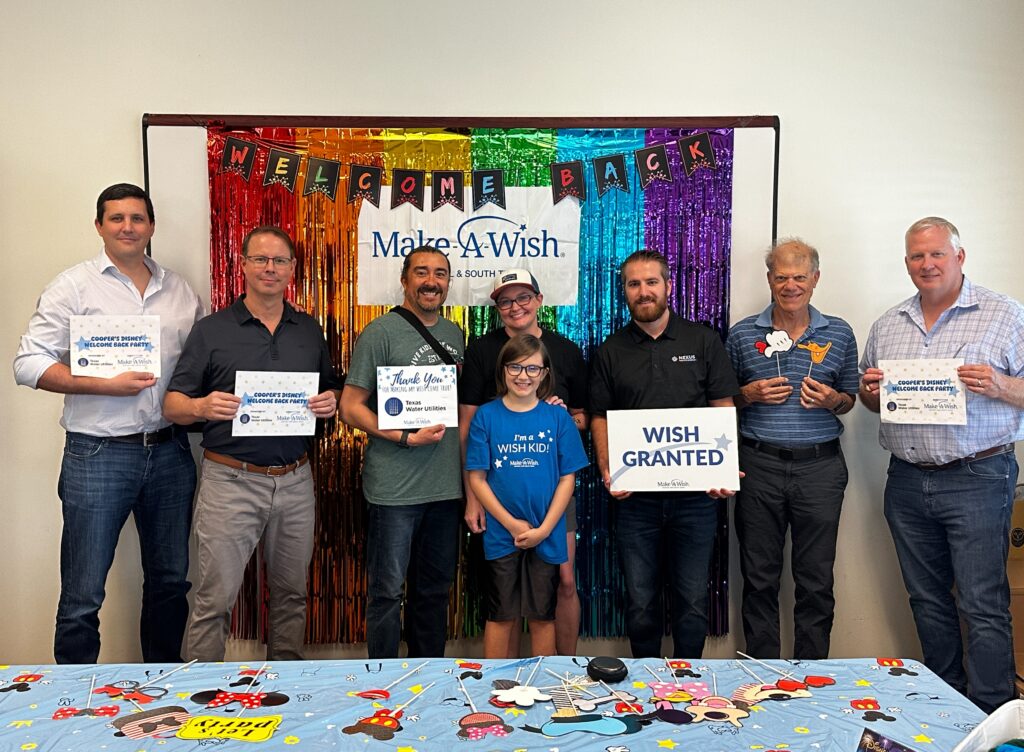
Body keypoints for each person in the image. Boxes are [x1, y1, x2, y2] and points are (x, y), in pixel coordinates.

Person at [13, 183, 204, 664]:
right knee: (83, 593)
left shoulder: (181, 291)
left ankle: (161, 682)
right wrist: (102, 385)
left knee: (170, 583)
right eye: (116, 218)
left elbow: (200, 368)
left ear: (151, 226)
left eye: (137, 218)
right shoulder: (72, 287)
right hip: (97, 454)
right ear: (99, 226)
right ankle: (75, 696)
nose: (127, 227)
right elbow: (28, 364)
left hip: (170, 452)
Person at [860, 217, 1024, 714]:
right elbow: (873, 399)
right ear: (907, 262)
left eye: (936, 254)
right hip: (907, 479)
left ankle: (993, 715)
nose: (927, 264)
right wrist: (871, 393)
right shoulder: (889, 324)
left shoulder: (1005, 314)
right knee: (927, 600)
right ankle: (945, 706)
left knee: (981, 602)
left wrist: (1000, 385)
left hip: (979, 476)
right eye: (917, 256)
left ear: (960, 256)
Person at [163, 226, 342, 661]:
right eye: (260, 259)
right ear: (242, 264)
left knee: (291, 595)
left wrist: (331, 400)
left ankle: (286, 684)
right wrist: (202, 406)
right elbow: (172, 405)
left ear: (292, 269)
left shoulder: (308, 329)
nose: (269, 268)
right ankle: (200, 690)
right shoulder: (211, 330)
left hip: (295, 480)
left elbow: (331, 387)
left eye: (279, 261)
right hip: (231, 481)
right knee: (214, 599)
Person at [590, 249, 740, 658]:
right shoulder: (611, 350)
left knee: (692, 601)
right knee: (640, 602)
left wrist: (724, 470)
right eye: (634, 284)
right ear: (624, 291)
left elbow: (722, 406)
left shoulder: (703, 340)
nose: (643, 291)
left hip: (696, 500)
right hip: (635, 500)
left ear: (668, 286)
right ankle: (645, 682)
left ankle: (689, 682)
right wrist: (608, 469)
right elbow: (600, 416)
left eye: (651, 282)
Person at [726, 239, 858, 659]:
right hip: (758, 465)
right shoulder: (742, 334)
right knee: (759, 578)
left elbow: (851, 398)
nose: (790, 285)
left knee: (816, 580)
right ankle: (762, 675)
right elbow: (722, 401)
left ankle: (811, 675)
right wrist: (748, 394)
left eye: (799, 277)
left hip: (820, 468)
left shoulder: (839, 332)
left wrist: (832, 400)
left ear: (815, 279)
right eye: (781, 277)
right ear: (769, 279)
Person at [339, 245, 465, 658]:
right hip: (394, 490)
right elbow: (350, 407)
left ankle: (427, 675)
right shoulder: (381, 332)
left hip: (445, 488)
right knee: (387, 593)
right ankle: (384, 676)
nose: (431, 281)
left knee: (434, 591)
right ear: (404, 280)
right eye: (422, 272)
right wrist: (404, 437)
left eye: (440, 274)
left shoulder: (455, 335)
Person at [459, 268, 589, 655]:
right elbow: (469, 431)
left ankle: (557, 673)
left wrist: (564, 417)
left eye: (523, 297)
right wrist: (474, 499)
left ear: (539, 301)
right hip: (502, 511)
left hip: (550, 507)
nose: (515, 306)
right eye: (506, 300)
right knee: (504, 605)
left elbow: (583, 420)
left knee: (556, 592)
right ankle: (503, 680)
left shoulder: (566, 352)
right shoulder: (482, 356)